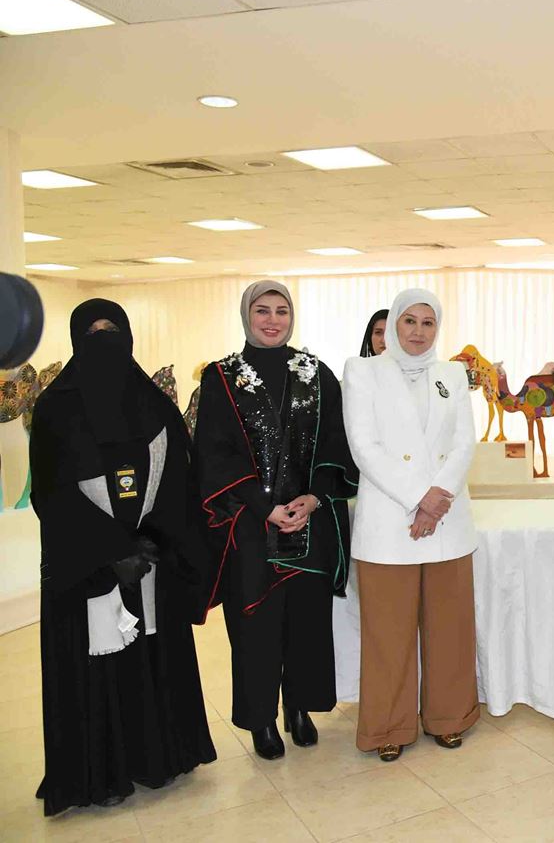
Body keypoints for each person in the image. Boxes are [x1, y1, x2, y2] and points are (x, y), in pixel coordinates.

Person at [30, 299, 215, 815]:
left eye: (113, 330)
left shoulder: (155, 405)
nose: (104, 339)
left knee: (154, 662)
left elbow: (181, 479)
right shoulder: (53, 410)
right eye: (93, 331)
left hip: (152, 559)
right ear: (74, 339)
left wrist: (153, 540)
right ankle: (99, 772)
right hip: (86, 568)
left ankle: (160, 757)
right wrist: (114, 550)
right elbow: (52, 494)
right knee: (94, 670)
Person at [194, 281, 357, 760]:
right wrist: (263, 507)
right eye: (262, 310)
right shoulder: (222, 377)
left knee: (305, 623)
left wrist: (313, 496)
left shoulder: (317, 374)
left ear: (292, 317)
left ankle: (300, 708)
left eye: (281, 311)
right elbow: (214, 452)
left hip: (309, 521)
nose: (272, 320)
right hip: (250, 523)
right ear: (246, 315)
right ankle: (262, 719)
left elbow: (336, 442)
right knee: (256, 628)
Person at [342, 288, 480, 761]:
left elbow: (464, 442)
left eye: (428, 323)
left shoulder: (453, 374)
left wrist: (436, 499)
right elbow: (364, 445)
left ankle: (449, 718)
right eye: (409, 321)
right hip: (389, 523)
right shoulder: (362, 372)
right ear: (393, 325)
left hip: (447, 522)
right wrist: (418, 498)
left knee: (450, 629)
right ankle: (387, 727)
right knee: (388, 633)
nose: (419, 332)